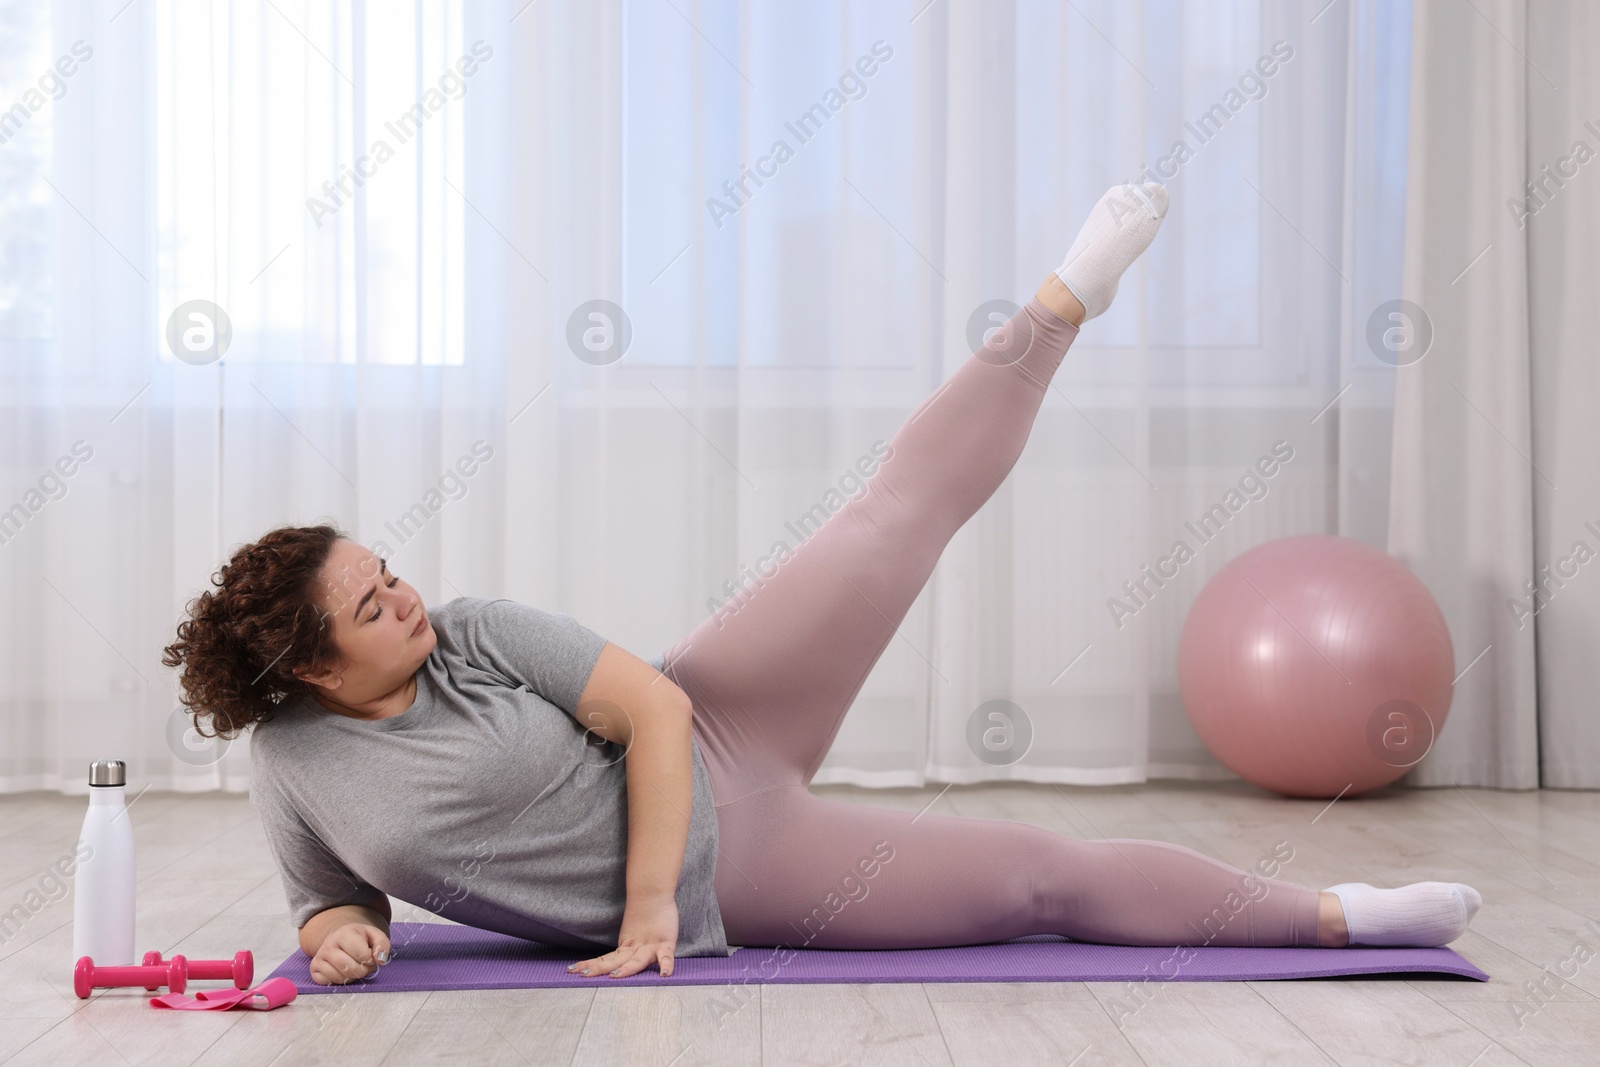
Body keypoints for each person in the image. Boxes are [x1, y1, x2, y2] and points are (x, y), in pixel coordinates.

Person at [163, 184, 1481, 985]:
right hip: (748, 867)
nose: (406, 591)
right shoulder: (295, 768)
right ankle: (1343, 914)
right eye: (372, 601)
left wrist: (638, 911)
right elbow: (329, 897)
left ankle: (1062, 300)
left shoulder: (483, 632)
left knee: (882, 523)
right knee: (1037, 882)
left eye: (386, 567)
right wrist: (339, 932)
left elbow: (662, 716)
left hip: (713, 720)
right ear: (311, 670)